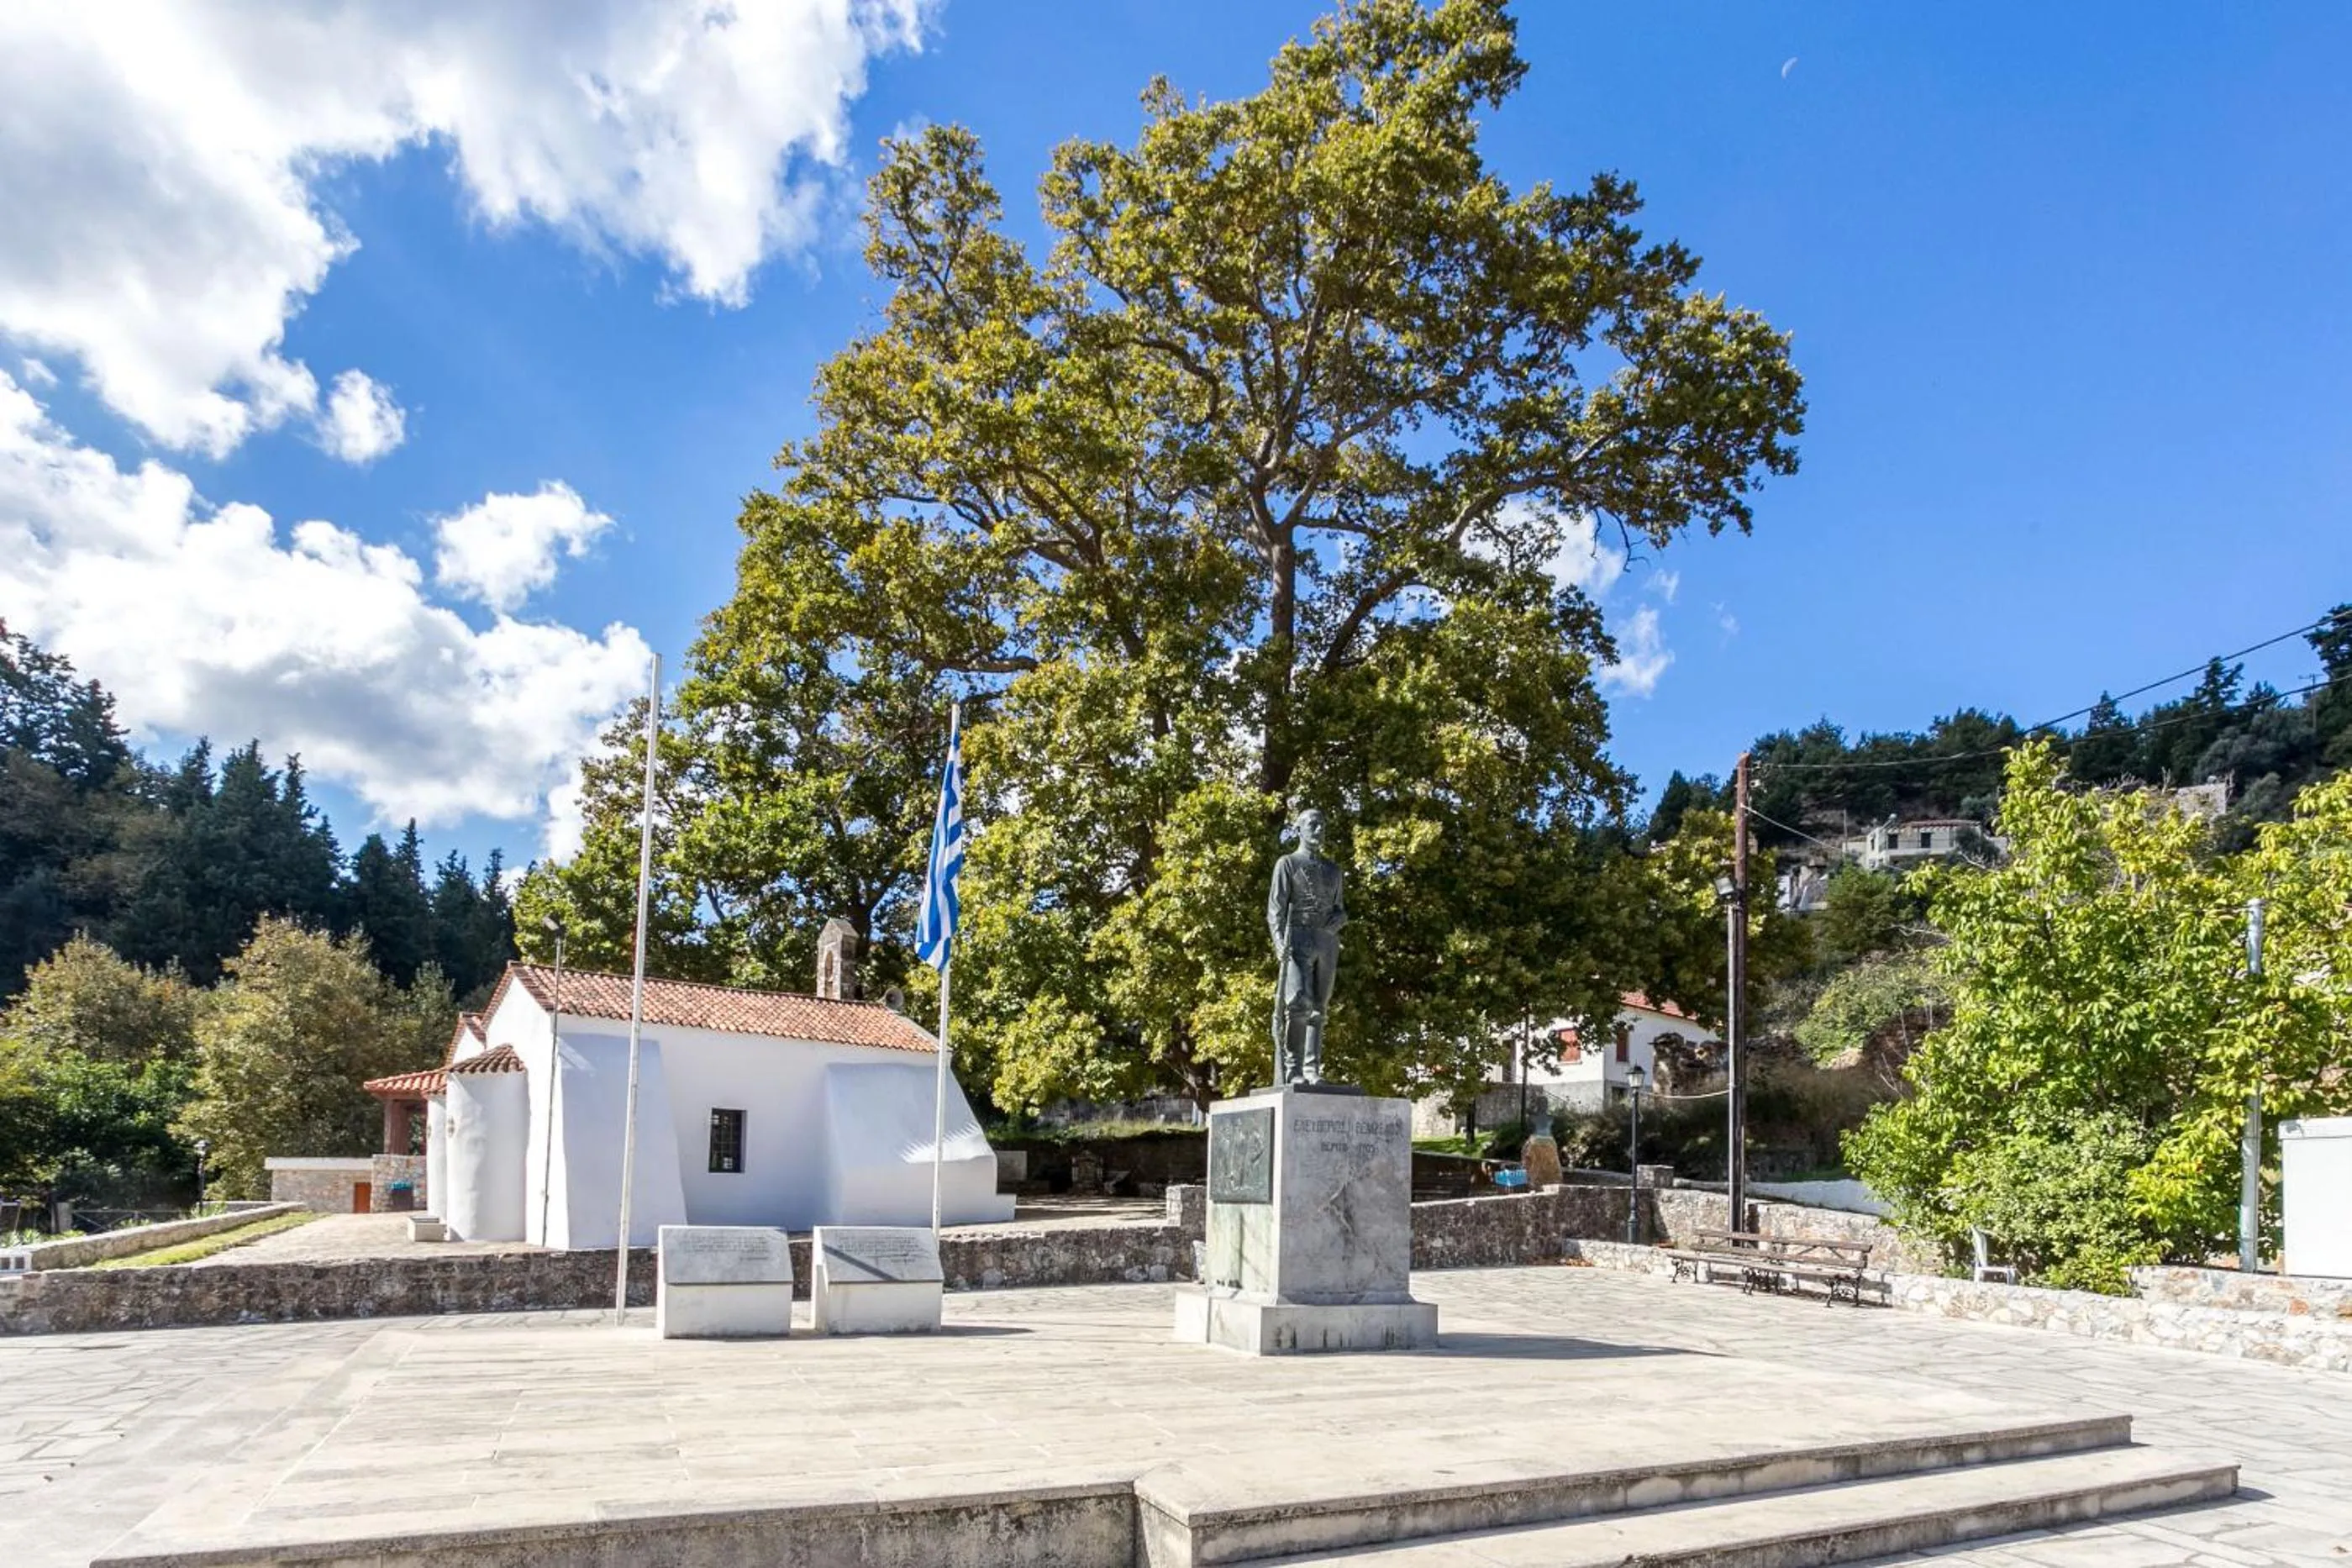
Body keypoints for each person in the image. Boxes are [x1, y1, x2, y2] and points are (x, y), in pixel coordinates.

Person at [1267, 808, 1347, 1085]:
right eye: (1312, 825)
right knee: (1299, 1002)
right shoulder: (1287, 864)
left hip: (1326, 940)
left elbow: (1340, 909)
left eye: (1322, 825)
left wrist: (1338, 919)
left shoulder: (1334, 871)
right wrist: (1280, 944)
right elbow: (1275, 909)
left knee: (1319, 1009)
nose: (1318, 830)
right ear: (1298, 829)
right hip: (1296, 938)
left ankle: (1312, 1070)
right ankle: (1294, 1071)